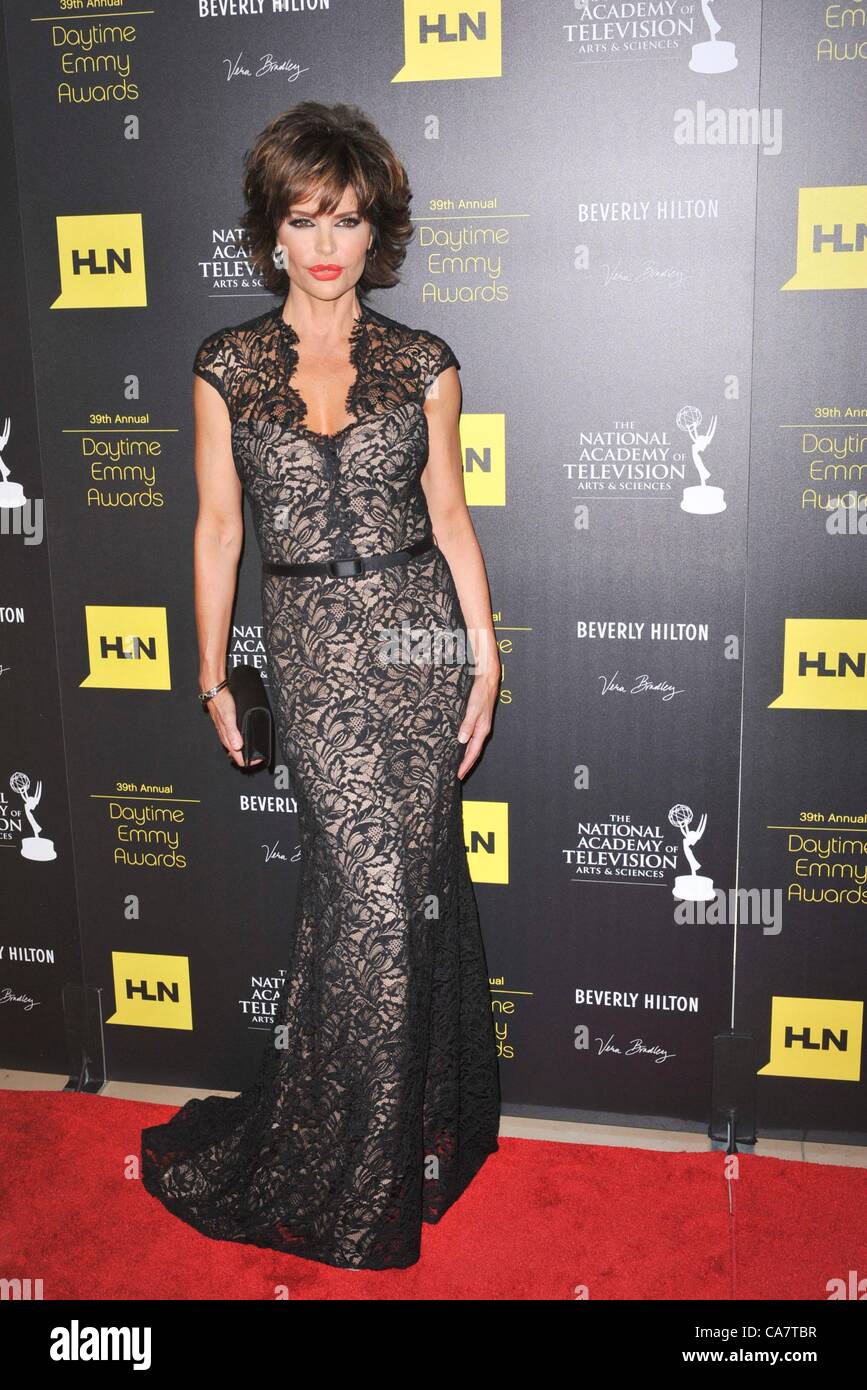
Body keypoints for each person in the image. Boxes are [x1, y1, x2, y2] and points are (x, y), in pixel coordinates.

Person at [140, 101, 501, 1271]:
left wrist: (484, 657)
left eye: (347, 218)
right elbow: (216, 532)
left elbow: (449, 519)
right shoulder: (227, 367)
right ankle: (333, 1160)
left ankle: (380, 1152)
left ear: (375, 229)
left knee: (399, 902)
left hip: (418, 641)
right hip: (309, 650)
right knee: (377, 902)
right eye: (306, 219)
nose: (328, 243)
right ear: (273, 230)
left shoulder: (425, 364)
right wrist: (210, 677)